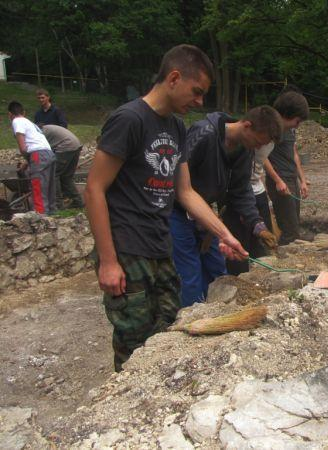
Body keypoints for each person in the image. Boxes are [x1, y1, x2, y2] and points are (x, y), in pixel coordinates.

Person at [84, 44, 247, 372]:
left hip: (161, 248)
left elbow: (185, 193)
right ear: (174, 78)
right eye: (197, 91)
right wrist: (108, 261)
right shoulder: (129, 120)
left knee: (164, 337)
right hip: (129, 252)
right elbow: (93, 189)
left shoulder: (175, 127)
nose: (200, 102)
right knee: (133, 343)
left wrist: (225, 235)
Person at [171, 106, 281, 304]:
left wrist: (257, 225)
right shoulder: (204, 134)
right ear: (247, 125)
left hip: (206, 214)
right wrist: (202, 223)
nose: (257, 148)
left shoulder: (244, 149)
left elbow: (240, 189)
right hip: (178, 212)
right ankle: (191, 319)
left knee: (218, 270)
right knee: (190, 273)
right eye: (257, 142)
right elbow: (177, 183)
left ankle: (215, 313)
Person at [264, 90, 310, 245]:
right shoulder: (273, 130)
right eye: (297, 121)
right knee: (289, 229)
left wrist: (302, 180)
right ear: (286, 115)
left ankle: (292, 246)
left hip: (291, 179)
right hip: (280, 181)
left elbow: (294, 153)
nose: (298, 125)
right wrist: (277, 181)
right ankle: (284, 257)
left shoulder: (289, 129)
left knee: (294, 221)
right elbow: (263, 157)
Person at [8, 101, 56, 215]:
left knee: (37, 186)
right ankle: (52, 213)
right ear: (23, 112)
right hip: (49, 153)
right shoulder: (29, 122)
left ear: (10, 114)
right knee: (49, 186)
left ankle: (41, 215)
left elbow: (23, 147)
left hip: (38, 154)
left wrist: (29, 160)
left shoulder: (16, 121)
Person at [42, 124, 84, 208]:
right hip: (75, 145)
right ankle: (77, 201)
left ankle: (57, 204)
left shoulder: (39, 133)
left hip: (66, 146)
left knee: (53, 174)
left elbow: (41, 153)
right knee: (66, 177)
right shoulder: (47, 129)